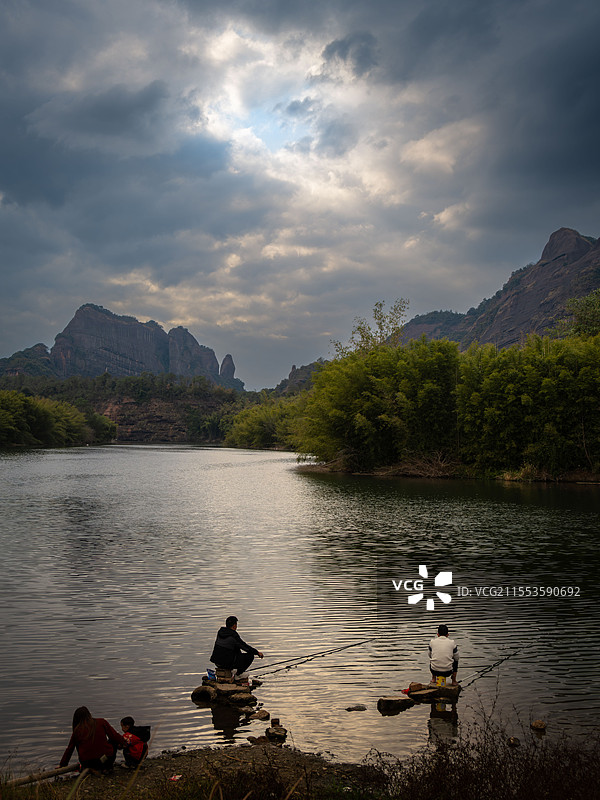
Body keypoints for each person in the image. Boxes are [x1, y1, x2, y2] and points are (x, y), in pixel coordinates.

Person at [59, 706, 126, 773]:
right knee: (112, 741)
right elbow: (115, 736)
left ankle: (95, 768)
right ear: (89, 714)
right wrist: (125, 743)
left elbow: (70, 749)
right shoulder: (101, 722)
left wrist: (62, 765)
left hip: (87, 764)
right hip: (104, 760)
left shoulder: (77, 730)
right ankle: (107, 767)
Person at [210, 615, 264, 680]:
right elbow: (245, 647)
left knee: (236, 648)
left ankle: (234, 671)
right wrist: (257, 653)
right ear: (234, 625)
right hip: (226, 663)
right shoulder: (233, 635)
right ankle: (238, 675)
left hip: (217, 662)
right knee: (250, 656)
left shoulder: (220, 632)